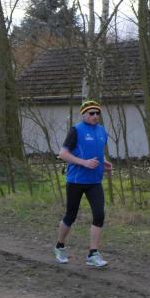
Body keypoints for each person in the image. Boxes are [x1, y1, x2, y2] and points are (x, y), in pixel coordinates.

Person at [53, 100, 112, 268]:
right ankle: (60, 246)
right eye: (91, 113)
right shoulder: (76, 130)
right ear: (84, 114)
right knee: (70, 216)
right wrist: (84, 162)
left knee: (99, 215)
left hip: (95, 181)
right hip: (76, 181)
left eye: (97, 113)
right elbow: (63, 154)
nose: (95, 116)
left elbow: (98, 151)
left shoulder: (102, 131)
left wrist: (104, 162)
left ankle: (93, 254)